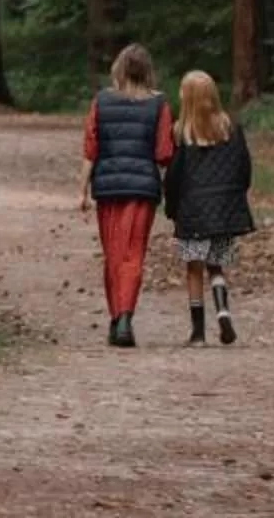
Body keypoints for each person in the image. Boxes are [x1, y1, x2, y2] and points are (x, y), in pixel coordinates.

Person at [78, 43, 174, 347]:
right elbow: (163, 153)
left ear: (119, 69)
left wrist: (82, 190)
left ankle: (116, 317)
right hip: (142, 189)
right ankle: (124, 319)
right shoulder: (159, 105)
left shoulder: (101, 101)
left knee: (113, 255)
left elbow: (90, 148)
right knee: (132, 254)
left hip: (107, 188)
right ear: (148, 71)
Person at [163, 69, 256, 346]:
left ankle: (198, 333)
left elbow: (174, 177)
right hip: (224, 210)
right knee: (216, 265)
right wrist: (236, 196)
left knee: (194, 268)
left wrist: (172, 207)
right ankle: (223, 312)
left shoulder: (181, 133)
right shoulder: (230, 129)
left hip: (192, 212)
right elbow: (244, 168)